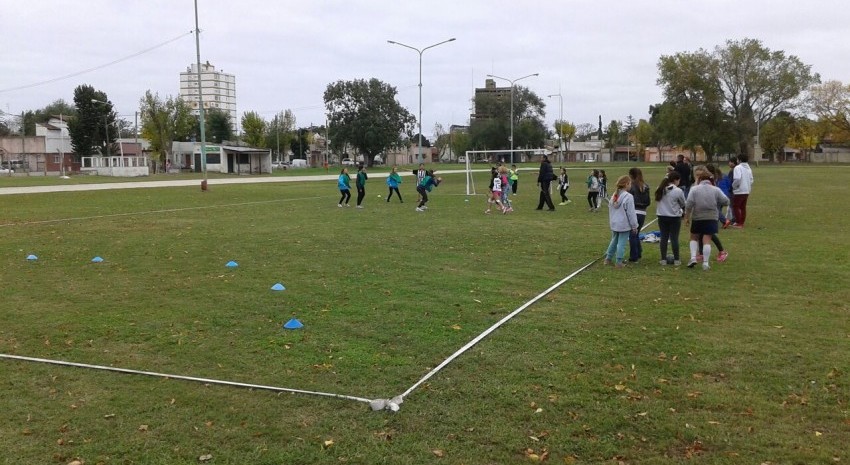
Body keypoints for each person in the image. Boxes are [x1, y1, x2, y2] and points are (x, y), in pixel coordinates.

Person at [684, 165, 729, 270]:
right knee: (707, 239)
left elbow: (689, 204)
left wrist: (687, 216)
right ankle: (705, 263)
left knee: (694, 237)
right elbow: (726, 201)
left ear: (700, 179)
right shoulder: (715, 189)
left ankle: (693, 257)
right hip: (711, 217)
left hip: (697, 217)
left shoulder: (694, 189)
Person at [604, 175, 638, 268]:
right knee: (621, 243)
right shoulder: (628, 197)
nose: (630, 185)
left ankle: (608, 258)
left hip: (615, 223)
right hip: (623, 224)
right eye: (630, 183)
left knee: (614, 241)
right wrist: (634, 225)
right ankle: (619, 262)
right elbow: (631, 213)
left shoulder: (614, 195)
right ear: (626, 184)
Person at [655, 171, 686, 265]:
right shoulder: (678, 191)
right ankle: (676, 259)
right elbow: (683, 203)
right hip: (674, 217)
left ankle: (663, 259)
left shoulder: (660, 189)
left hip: (662, 216)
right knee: (674, 238)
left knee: (664, 237)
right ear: (676, 180)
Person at [627, 167, 651, 262]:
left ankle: (634, 256)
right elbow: (648, 201)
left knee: (632, 235)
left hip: (634, 211)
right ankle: (638, 252)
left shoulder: (631, 186)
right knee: (636, 234)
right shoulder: (646, 186)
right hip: (643, 212)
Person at [731, 153, 754, 228]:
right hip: (746, 190)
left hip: (739, 191)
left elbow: (737, 178)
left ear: (739, 160)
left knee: (735, 206)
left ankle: (738, 222)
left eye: (737, 159)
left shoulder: (738, 168)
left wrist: (734, 186)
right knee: (743, 207)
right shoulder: (748, 168)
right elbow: (751, 180)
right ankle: (741, 221)